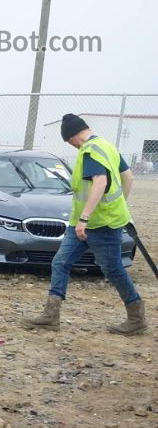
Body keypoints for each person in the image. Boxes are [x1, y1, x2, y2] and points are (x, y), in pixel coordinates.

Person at [23, 113, 146, 335]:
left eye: (69, 142)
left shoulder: (89, 151)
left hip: (99, 224)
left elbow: (100, 181)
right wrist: (119, 205)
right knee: (61, 262)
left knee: (113, 269)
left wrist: (85, 218)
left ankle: (136, 316)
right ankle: (51, 315)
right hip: (87, 223)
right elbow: (129, 178)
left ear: (72, 137)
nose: (72, 146)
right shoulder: (107, 146)